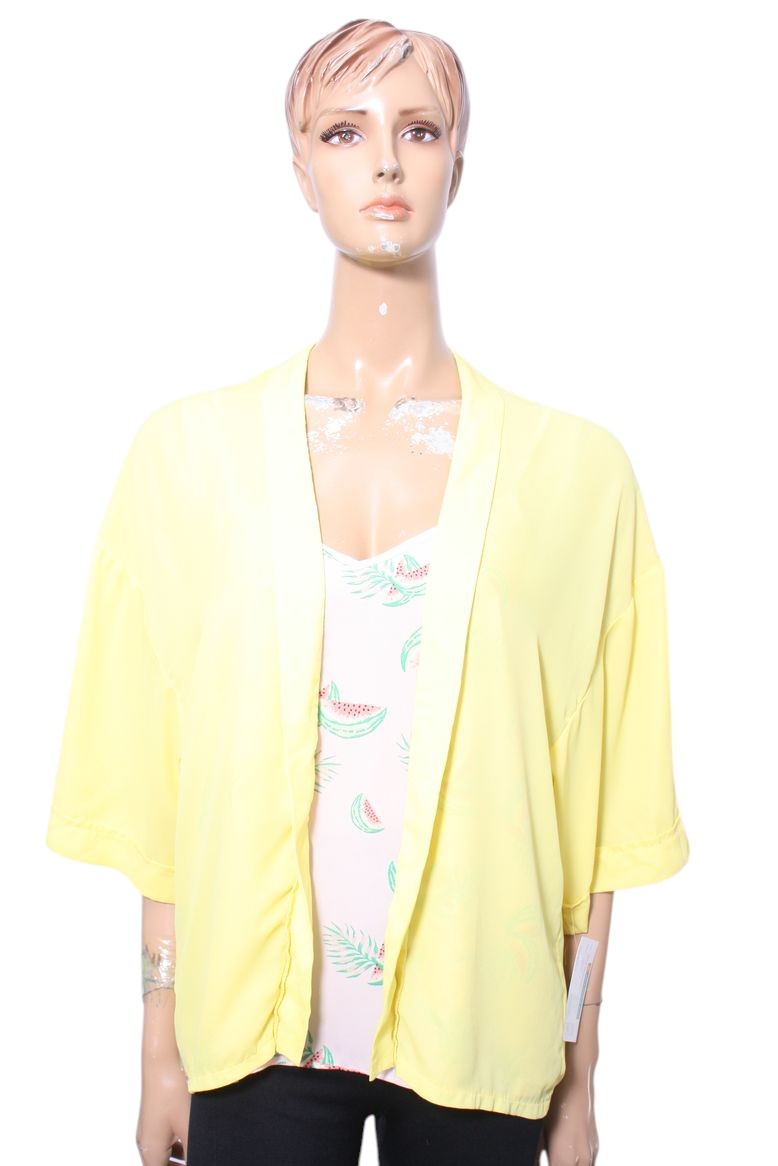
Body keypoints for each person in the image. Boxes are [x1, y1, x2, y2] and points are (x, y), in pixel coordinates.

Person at [45, 18, 690, 1166]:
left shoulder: (578, 473)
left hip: (486, 1032)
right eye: (345, 131)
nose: (386, 161)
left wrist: (581, 1061)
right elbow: (157, 784)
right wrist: (157, 1044)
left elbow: (598, 806)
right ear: (300, 167)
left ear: (459, 163)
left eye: (420, 129)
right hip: (250, 1034)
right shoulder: (184, 455)